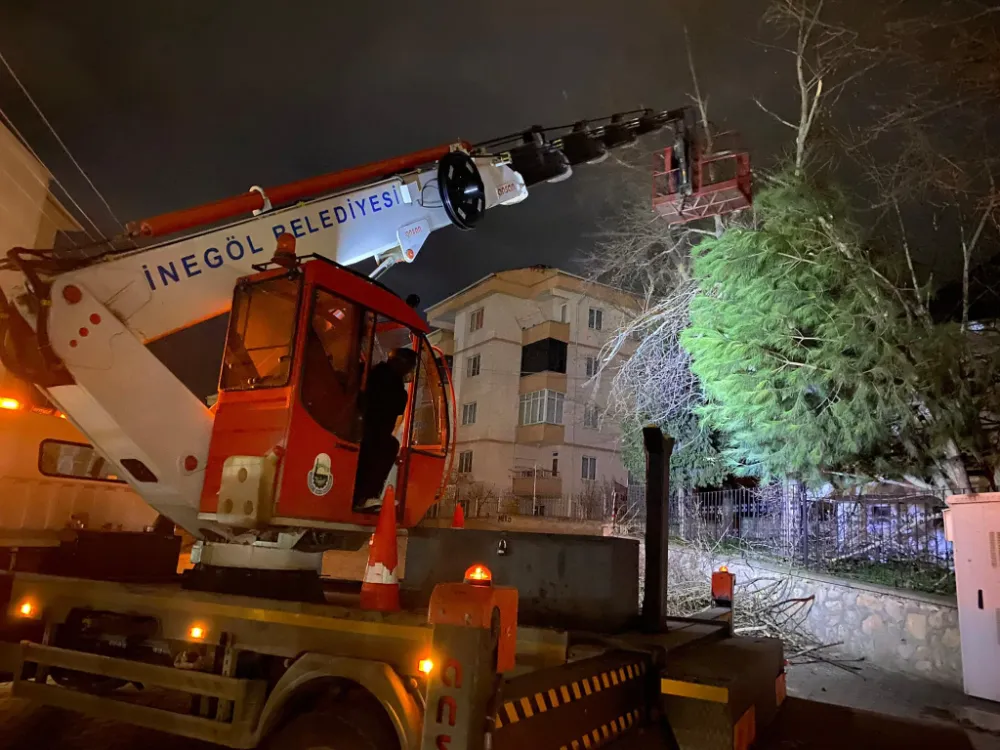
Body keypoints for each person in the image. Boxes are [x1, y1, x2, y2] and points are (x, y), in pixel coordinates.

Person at [352, 347, 418, 513]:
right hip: (371, 432)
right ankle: (365, 496)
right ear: (399, 363)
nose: (409, 371)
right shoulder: (390, 383)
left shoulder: (373, 373)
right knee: (386, 448)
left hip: (365, 430)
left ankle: (364, 496)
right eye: (409, 366)